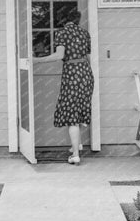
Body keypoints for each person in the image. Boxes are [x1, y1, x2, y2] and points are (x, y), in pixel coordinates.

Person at [33, 10, 94, 165]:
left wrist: (36, 60)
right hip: (86, 73)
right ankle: (76, 146)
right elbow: (87, 57)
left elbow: (59, 56)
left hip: (72, 74)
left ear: (64, 21)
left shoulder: (62, 33)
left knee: (72, 115)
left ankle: (76, 155)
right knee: (79, 111)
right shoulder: (85, 33)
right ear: (78, 20)